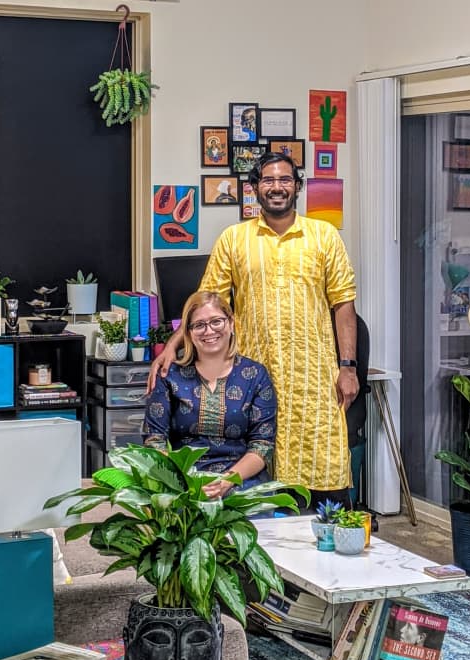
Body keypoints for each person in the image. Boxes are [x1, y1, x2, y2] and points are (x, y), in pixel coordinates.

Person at [149, 151, 359, 509]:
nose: (277, 188)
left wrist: (348, 366)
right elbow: (207, 301)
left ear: (297, 186)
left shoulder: (324, 237)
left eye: (285, 180)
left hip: (313, 376)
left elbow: (343, 304)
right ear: (255, 188)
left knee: (321, 471)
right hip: (253, 376)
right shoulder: (234, 240)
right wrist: (173, 344)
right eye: (268, 180)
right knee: (261, 470)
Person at [143, 290, 276, 500]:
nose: (209, 331)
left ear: (231, 324)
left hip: (241, 479)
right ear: (188, 333)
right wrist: (188, 482)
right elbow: (154, 440)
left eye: (217, 321)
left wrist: (226, 481)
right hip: (182, 481)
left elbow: (262, 446)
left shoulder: (255, 375)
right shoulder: (170, 376)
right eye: (199, 325)